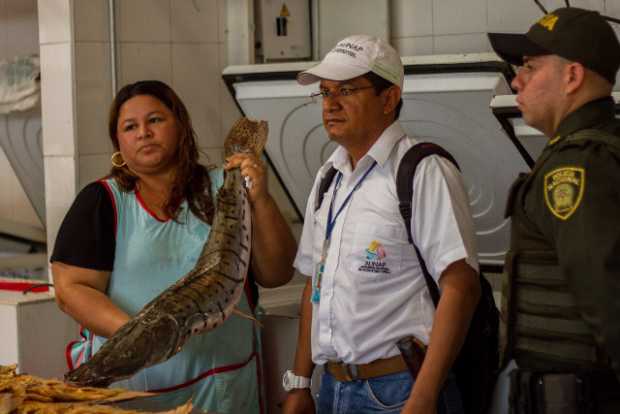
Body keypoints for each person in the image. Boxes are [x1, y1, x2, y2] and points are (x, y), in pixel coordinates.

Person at [51, 80, 297, 413]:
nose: (143, 132)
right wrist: (144, 339)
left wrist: (261, 198)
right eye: (130, 126)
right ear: (118, 143)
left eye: (155, 120)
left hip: (224, 390)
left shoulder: (224, 185)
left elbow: (276, 273)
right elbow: (71, 290)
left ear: (181, 127)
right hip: (134, 395)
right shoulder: (101, 202)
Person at [281, 35, 481, 414]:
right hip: (332, 387)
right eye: (324, 93)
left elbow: (461, 286)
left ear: (388, 99)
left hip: (399, 389)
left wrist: (423, 397)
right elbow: (315, 283)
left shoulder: (422, 171)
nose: (331, 104)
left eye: (346, 90)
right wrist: (300, 382)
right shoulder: (329, 177)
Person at [488, 7, 620, 413]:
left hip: (578, 397)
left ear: (572, 76)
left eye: (530, 66)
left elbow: (607, 295)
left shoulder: (575, 165)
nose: (516, 80)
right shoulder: (595, 149)